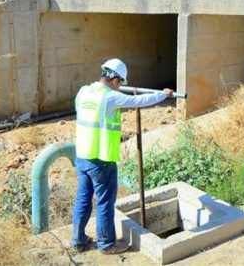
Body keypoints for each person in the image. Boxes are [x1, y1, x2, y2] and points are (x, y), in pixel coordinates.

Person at [71, 58, 173, 254]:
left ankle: (78, 240)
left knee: (83, 199)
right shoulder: (110, 97)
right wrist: (163, 94)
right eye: (121, 84)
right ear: (116, 80)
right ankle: (106, 244)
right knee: (104, 203)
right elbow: (139, 100)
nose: (120, 88)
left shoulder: (84, 91)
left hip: (82, 156)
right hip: (101, 159)